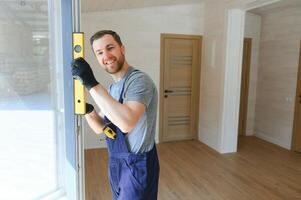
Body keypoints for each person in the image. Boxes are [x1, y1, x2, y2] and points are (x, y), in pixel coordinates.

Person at [71, 30, 160, 200]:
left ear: (122, 49)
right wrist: (88, 111)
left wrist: (90, 83)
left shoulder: (139, 81)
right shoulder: (112, 89)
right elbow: (101, 128)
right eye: (99, 53)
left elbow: (126, 122)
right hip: (118, 162)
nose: (106, 55)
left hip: (137, 164)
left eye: (110, 48)